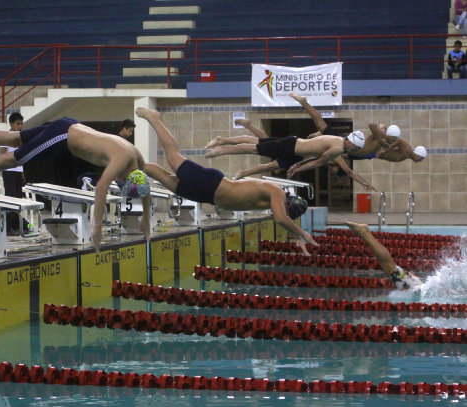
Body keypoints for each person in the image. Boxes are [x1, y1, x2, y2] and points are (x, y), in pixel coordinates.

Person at [0, 117, 152, 250]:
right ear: (126, 176)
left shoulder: (136, 159)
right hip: (63, 137)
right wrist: (96, 228)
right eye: (121, 182)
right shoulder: (121, 161)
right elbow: (102, 188)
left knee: (14, 138)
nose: (118, 180)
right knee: (13, 158)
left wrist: (146, 220)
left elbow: (146, 190)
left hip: (69, 124)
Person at [135, 106, 318, 255]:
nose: (282, 212)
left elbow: (283, 218)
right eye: (286, 211)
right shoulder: (276, 192)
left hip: (208, 196)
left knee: (164, 178)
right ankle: (153, 118)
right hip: (212, 184)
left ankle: (132, 164)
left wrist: (296, 236)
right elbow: (281, 218)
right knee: (173, 157)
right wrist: (302, 233)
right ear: (287, 204)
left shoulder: (275, 200)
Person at [205, 119, 366, 180]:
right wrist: (298, 167)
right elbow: (318, 162)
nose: (354, 151)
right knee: (254, 148)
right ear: (352, 143)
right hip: (291, 147)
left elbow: (316, 159)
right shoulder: (338, 149)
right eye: (356, 148)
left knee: (258, 142)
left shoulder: (337, 140)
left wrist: (298, 166)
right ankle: (221, 150)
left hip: (293, 147)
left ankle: (222, 143)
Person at [344, 221, 422, 290]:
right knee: (389, 267)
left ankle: (365, 234)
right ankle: (365, 233)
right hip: (415, 287)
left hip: (415, 286)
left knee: (389, 268)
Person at [0, 112, 29, 236]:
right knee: (10, 199)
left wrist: (23, 172)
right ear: (11, 124)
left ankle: (17, 224)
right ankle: (9, 226)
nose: (20, 126)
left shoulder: (21, 137)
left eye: (21, 124)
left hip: (18, 171)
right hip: (9, 171)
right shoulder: (6, 137)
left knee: (18, 199)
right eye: (18, 124)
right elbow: (2, 155)